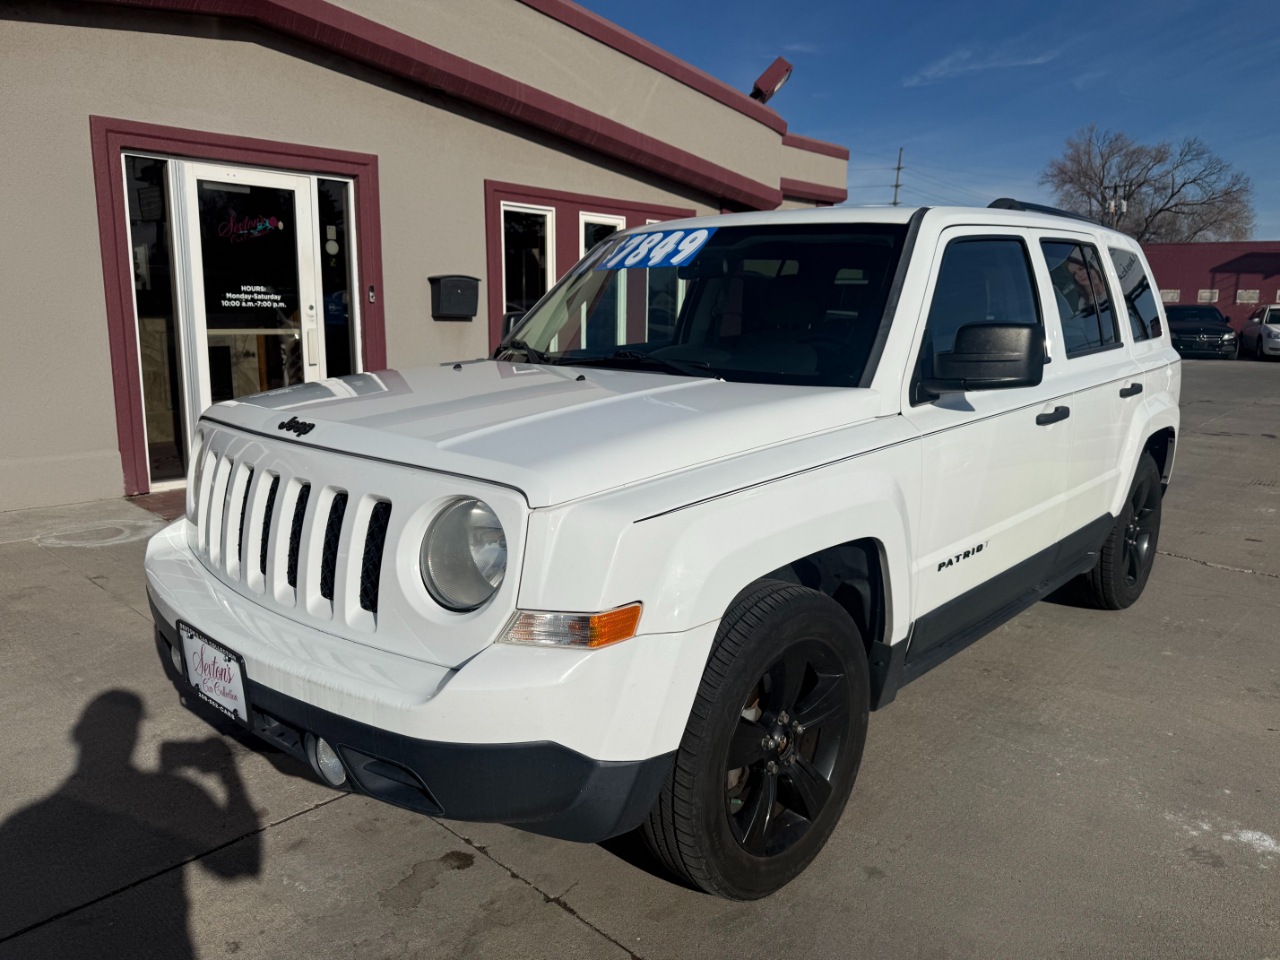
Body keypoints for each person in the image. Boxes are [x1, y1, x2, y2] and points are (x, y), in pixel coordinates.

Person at [0, 690, 260, 957]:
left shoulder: (20, 826)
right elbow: (241, 865)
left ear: (78, 735)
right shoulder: (178, 793)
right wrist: (230, 776)